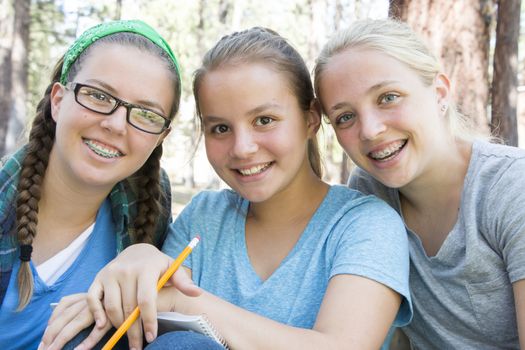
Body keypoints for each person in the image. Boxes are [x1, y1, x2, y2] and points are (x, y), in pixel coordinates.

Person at [43, 27, 412, 350]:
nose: (242, 148)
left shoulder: (365, 225)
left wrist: (191, 305)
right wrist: (140, 255)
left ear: (311, 118)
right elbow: (150, 319)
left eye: (264, 120)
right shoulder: (204, 218)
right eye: (220, 128)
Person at [314, 18, 525, 349]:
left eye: (388, 97)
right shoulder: (370, 193)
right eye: (345, 117)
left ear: (439, 92)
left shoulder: (512, 187)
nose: (369, 130)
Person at [0, 19, 199, 350]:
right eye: (98, 95)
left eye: (146, 115)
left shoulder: (147, 204)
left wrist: (144, 254)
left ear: (161, 137)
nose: (116, 124)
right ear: (59, 100)